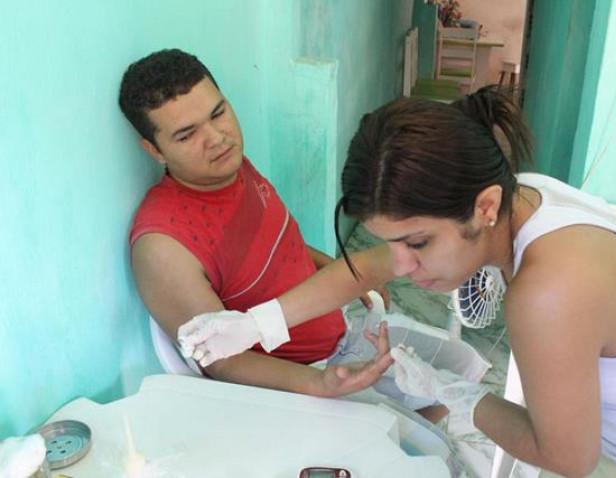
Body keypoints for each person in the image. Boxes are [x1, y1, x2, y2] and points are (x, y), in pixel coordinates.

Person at [180, 86, 616, 476]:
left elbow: (566, 457)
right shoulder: (519, 193)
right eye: (391, 243)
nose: (402, 265)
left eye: (417, 244)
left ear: (484, 206)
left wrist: (449, 390)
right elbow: (367, 268)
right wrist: (255, 323)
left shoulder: (549, 290)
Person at [118, 49, 479, 415]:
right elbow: (222, 362)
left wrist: (341, 274)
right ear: (154, 150)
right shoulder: (163, 245)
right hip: (298, 383)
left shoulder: (231, 168)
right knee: (415, 428)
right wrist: (321, 384)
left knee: (461, 368)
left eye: (218, 113)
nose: (216, 138)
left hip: (342, 333)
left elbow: (280, 244)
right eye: (186, 135)